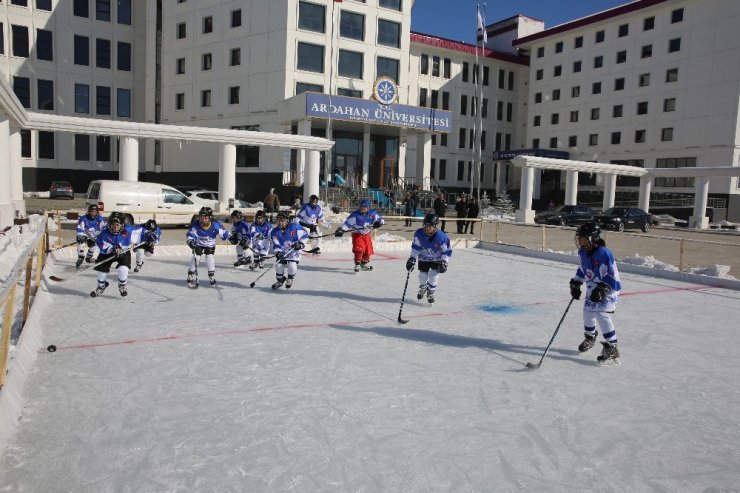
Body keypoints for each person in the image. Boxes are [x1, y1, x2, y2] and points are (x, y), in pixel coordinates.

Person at [569, 222, 623, 365]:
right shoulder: (582, 253)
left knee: (602, 314)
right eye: (579, 238)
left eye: (583, 238)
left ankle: (612, 347)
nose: (580, 241)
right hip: (593, 287)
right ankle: (590, 337)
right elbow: (582, 269)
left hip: (609, 287)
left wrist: (603, 288)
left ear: (592, 238)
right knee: (587, 312)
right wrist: (576, 283)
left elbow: (611, 273)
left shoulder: (604, 253)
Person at [405, 213, 452, 304]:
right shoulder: (419, 233)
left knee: (434, 275)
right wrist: (412, 259)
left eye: (429, 226)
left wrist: (444, 262)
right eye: (425, 225)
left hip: (436, 258)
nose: (427, 228)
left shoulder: (441, 237)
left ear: (435, 226)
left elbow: (447, 251)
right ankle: (423, 288)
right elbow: (415, 248)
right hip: (424, 258)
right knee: (422, 275)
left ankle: (430, 292)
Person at [90, 211, 139, 298]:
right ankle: (101, 286)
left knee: (123, 269)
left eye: (118, 225)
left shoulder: (128, 230)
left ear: (122, 225)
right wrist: (111, 249)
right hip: (108, 252)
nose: (115, 227)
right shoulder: (104, 233)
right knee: (102, 270)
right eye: (113, 225)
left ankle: (122, 285)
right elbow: (100, 245)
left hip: (123, 252)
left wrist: (148, 237)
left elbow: (141, 232)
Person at [334, 198, 384, 272]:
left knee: (368, 251)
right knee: (359, 249)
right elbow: (347, 224)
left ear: (368, 207)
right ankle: (357, 264)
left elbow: (381, 219)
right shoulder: (355, 215)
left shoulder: (373, 213)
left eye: (365, 207)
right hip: (358, 235)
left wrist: (379, 223)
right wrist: (341, 230)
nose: (362, 208)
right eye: (361, 206)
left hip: (367, 234)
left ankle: (363, 264)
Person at [186, 206, 230, 287]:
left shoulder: (216, 225)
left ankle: (211, 275)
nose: (203, 219)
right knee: (196, 257)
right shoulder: (195, 224)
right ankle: (191, 274)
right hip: (198, 244)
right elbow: (190, 234)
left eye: (205, 217)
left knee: (209, 257)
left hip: (210, 244)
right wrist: (190, 241)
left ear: (210, 218)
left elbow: (224, 233)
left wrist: (231, 237)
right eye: (201, 217)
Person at [270, 211, 310, 289]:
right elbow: (276, 243)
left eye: (282, 221)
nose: (280, 223)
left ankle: (290, 278)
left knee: (292, 266)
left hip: (294, 251)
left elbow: (305, 235)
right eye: (279, 220)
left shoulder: (294, 227)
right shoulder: (274, 232)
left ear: (287, 221)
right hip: (283, 251)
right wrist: (278, 252)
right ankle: (280, 281)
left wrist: (300, 243)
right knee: (278, 266)